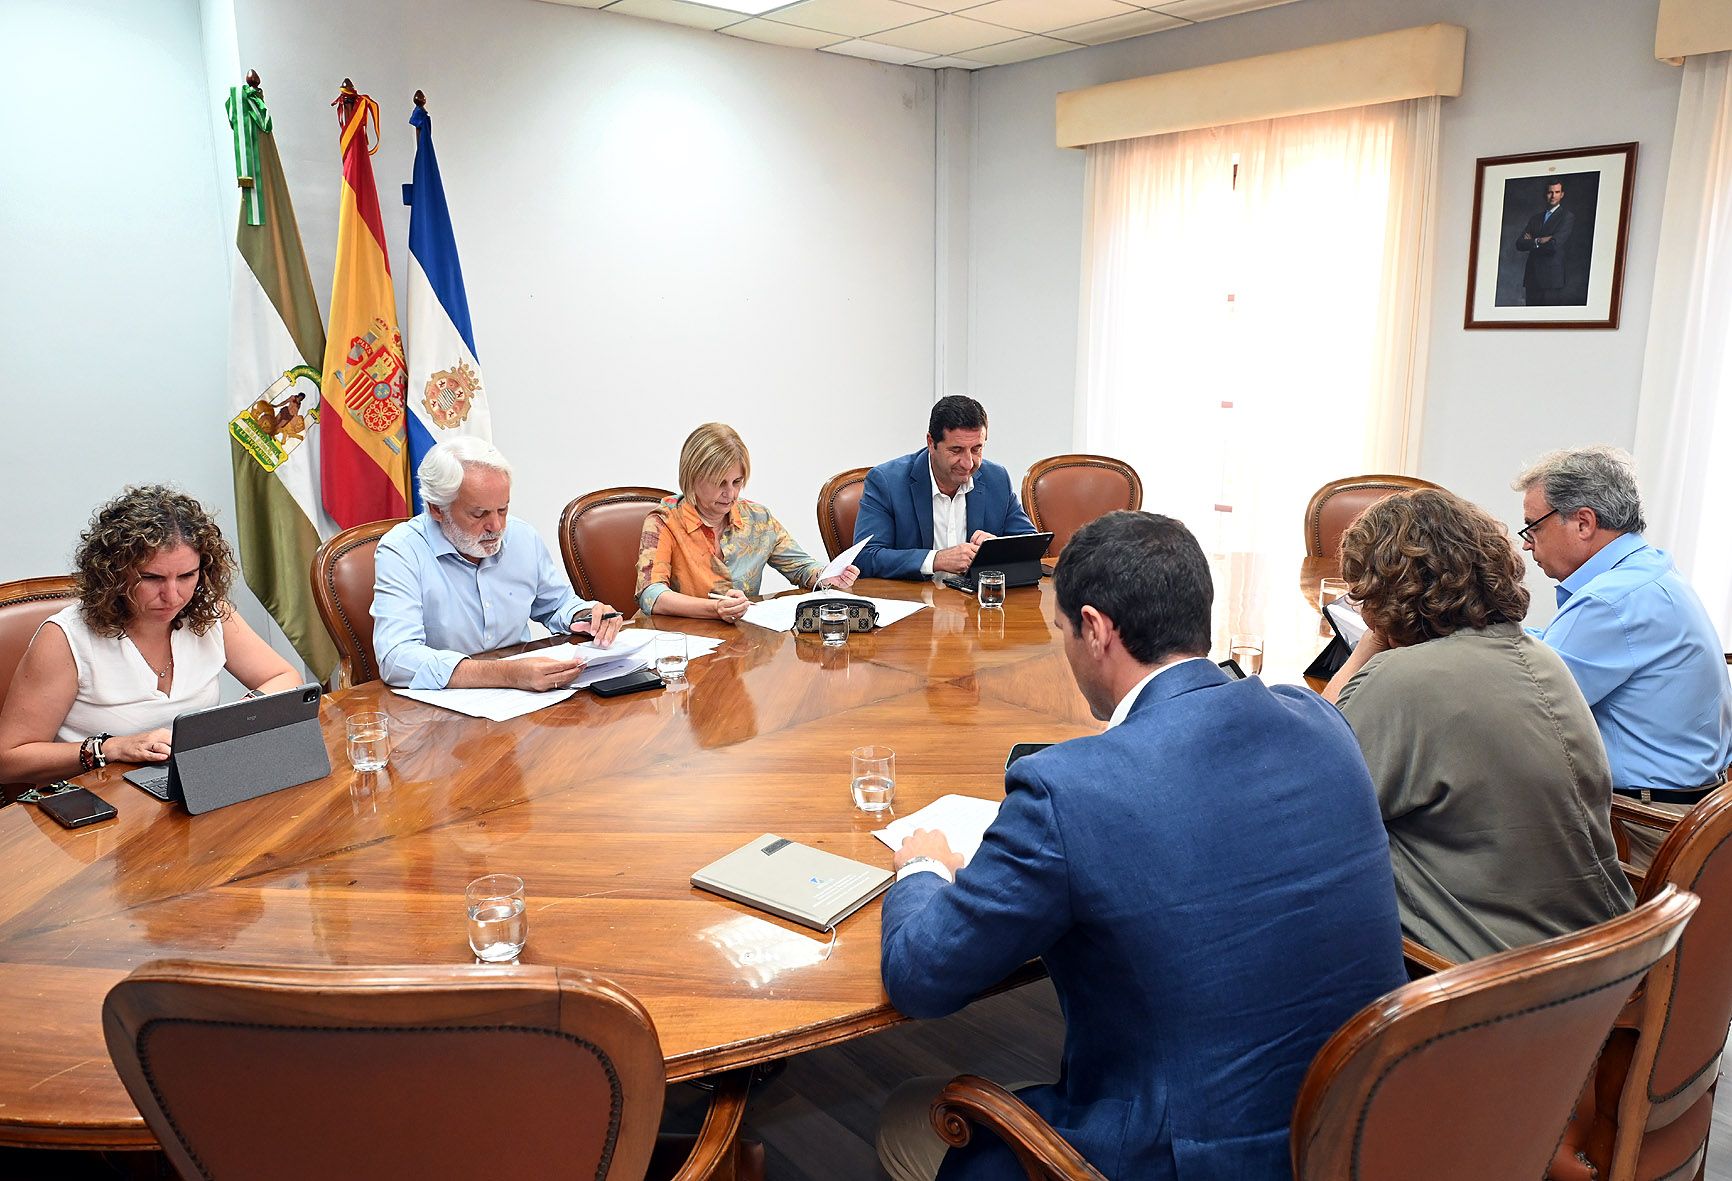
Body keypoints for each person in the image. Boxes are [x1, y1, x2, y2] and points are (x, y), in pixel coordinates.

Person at [875, 511, 1405, 1181]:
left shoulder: (1068, 788)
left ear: (1095, 629)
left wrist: (921, 865)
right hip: (1355, 1134)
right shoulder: (1322, 723)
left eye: (1063, 631)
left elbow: (921, 976)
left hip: (1184, 1162)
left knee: (904, 1114)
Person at [1323, 488, 1633, 962]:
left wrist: (1373, 642)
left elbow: (1314, 784)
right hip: (1597, 960)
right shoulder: (1542, 657)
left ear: (1383, 591)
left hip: (1487, 983)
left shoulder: (1404, 682)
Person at [0, 486, 301, 785]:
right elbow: (9, 760)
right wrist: (112, 748)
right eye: (152, 578)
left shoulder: (210, 613)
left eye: (187, 576)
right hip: (100, 804)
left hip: (189, 785)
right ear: (115, 573)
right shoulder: (66, 638)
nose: (172, 596)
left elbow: (286, 677)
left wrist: (232, 719)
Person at [1513, 446, 1732, 830]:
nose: (1527, 543)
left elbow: (1524, 705)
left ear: (1584, 522)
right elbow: (1553, 650)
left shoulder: (1610, 602)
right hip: (1693, 813)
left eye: (1534, 527)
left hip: (1639, 823)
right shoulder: (1647, 571)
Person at [372, 438, 623, 690]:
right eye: (479, 514)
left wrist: (587, 616)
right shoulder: (401, 550)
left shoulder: (522, 536)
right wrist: (506, 674)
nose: (497, 526)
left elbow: (557, 604)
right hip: (443, 710)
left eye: (502, 510)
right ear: (437, 509)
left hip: (525, 699)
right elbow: (396, 657)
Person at [635, 422, 857, 622]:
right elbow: (651, 595)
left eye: (737, 481)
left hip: (742, 643)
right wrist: (714, 608)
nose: (730, 493)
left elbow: (802, 568)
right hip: (681, 643)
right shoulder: (664, 521)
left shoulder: (757, 519)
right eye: (719, 483)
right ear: (692, 477)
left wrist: (829, 576)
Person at [853, 396, 1036, 581]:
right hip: (916, 602)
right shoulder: (887, 482)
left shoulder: (996, 478)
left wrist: (997, 549)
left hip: (975, 604)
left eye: (976, 449)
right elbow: (866, 557)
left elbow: (1031, 544)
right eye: (956, 450)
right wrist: (936, 559)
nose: (968, 463)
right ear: (931, 443)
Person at [1515, 180, 1575, 306]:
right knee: (1529, 320)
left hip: (1551, 279)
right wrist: (1539, 240)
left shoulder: (1567, 217)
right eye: (1550, 192)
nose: (1553, 196)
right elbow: (1519, 244)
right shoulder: (1535, 218)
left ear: (1562, 194)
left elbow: (1553, 245)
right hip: (1532, 277)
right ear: (1545, 194)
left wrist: (1531, 241)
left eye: (1557, 192)